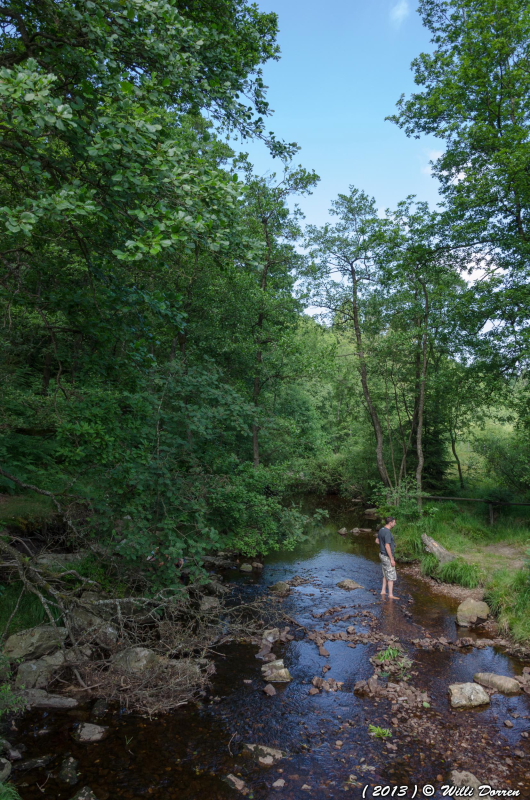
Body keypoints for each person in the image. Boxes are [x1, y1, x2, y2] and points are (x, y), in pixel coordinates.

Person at [375, 516, 399, 599]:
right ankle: (391, 595)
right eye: (394, 522)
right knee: (391, 576)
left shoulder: (381, 530)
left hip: (382, 554)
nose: (395, 524)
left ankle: (383, 591)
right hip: (387, 556)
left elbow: (377, 541)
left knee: (385, 574)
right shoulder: (388, 532)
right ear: (390, 522)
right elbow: (387, 545)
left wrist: (382, 545)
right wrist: (392, 559)